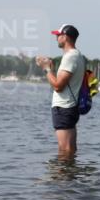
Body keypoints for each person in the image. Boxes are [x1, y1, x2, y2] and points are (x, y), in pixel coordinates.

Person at [36, 24, 86, 158]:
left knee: (65, 150)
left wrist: (47, 69)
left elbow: (58, 86)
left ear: (65, 37)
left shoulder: (70, 57)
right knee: (69, 149)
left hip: (64, 107)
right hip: (69, 107)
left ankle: (63, 177)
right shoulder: (77, 55)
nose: (56, 38)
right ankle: (70, 175)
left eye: (58, 35)